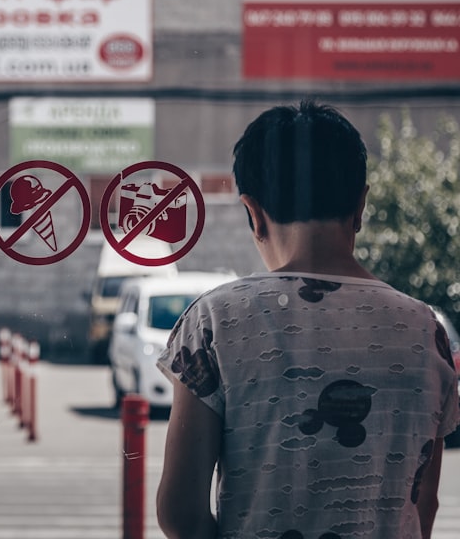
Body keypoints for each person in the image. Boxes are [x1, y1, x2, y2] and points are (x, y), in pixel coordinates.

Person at [156, 100, 459, 539]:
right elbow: (422, 505)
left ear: (252, 213)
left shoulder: (215, 320)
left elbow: (181, 514)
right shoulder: (424, 329)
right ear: (361, 204)